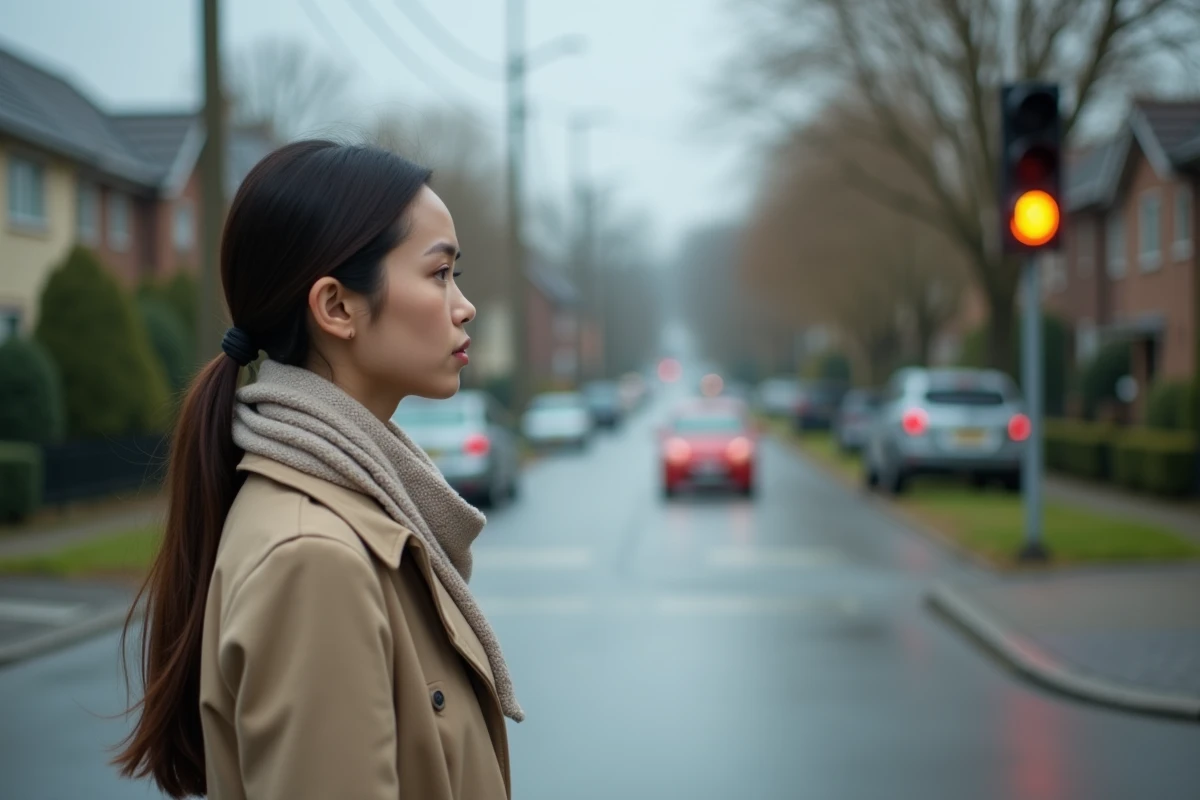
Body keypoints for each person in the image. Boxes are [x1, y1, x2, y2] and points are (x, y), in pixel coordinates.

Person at [114, 140, 521, 799]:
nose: (463, 305)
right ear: (336, 308)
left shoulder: (354, 511)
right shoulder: (314, 557)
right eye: (440, 274)